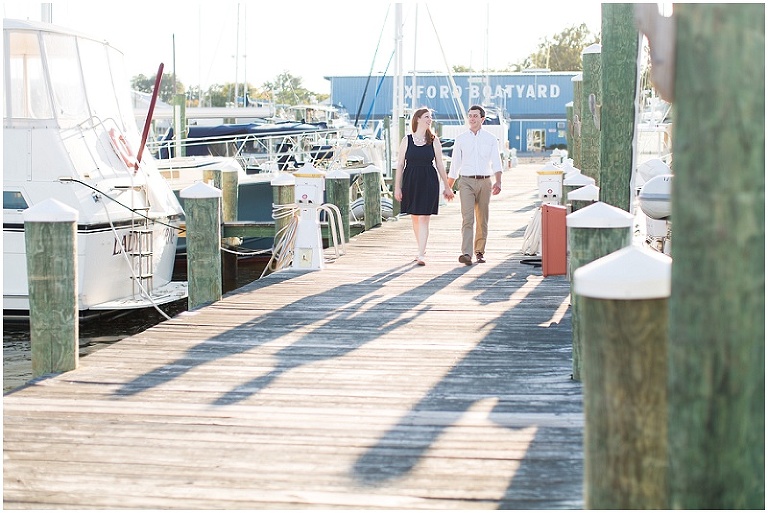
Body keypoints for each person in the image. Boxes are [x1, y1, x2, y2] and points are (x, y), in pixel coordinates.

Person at [394, 107, 454, 266]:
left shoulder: (434, 140)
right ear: (418, 119)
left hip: (429, 180)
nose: (430, 119)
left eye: (431, 117)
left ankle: (421, 253)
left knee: (424, 218)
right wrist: (397, 187)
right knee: (415, 217)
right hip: (411, 179)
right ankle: (421, 248)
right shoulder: (407, 140)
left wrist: (447, 186)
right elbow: (400, 164)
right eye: (427, 116)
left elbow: (440, 164)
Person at [447, 104, 503, 266]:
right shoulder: (461, 139)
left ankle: (479, 251)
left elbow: (496, 162)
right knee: (468, 218)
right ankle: (466, 253)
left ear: (482, 119)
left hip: (485, 181)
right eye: (470, 115)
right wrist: (449, 186)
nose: (472, 118)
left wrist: (498, 181)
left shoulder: (491, 139)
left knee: (482, 218)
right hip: (466, 182)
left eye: (475, 116)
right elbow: (455, 164)